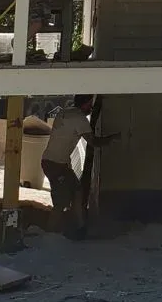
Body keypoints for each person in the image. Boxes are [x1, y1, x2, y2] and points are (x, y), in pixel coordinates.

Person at [41, 95, 114, 237]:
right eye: (90, 104)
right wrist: (113, 138)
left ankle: (77, 226)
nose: (91, 108)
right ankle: (51, 233)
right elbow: (94, 142)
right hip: (57, 165)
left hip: (51, 162)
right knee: (61, 202)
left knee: (77, 191)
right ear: (86, 104)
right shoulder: (79, 119)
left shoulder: (64, 112)